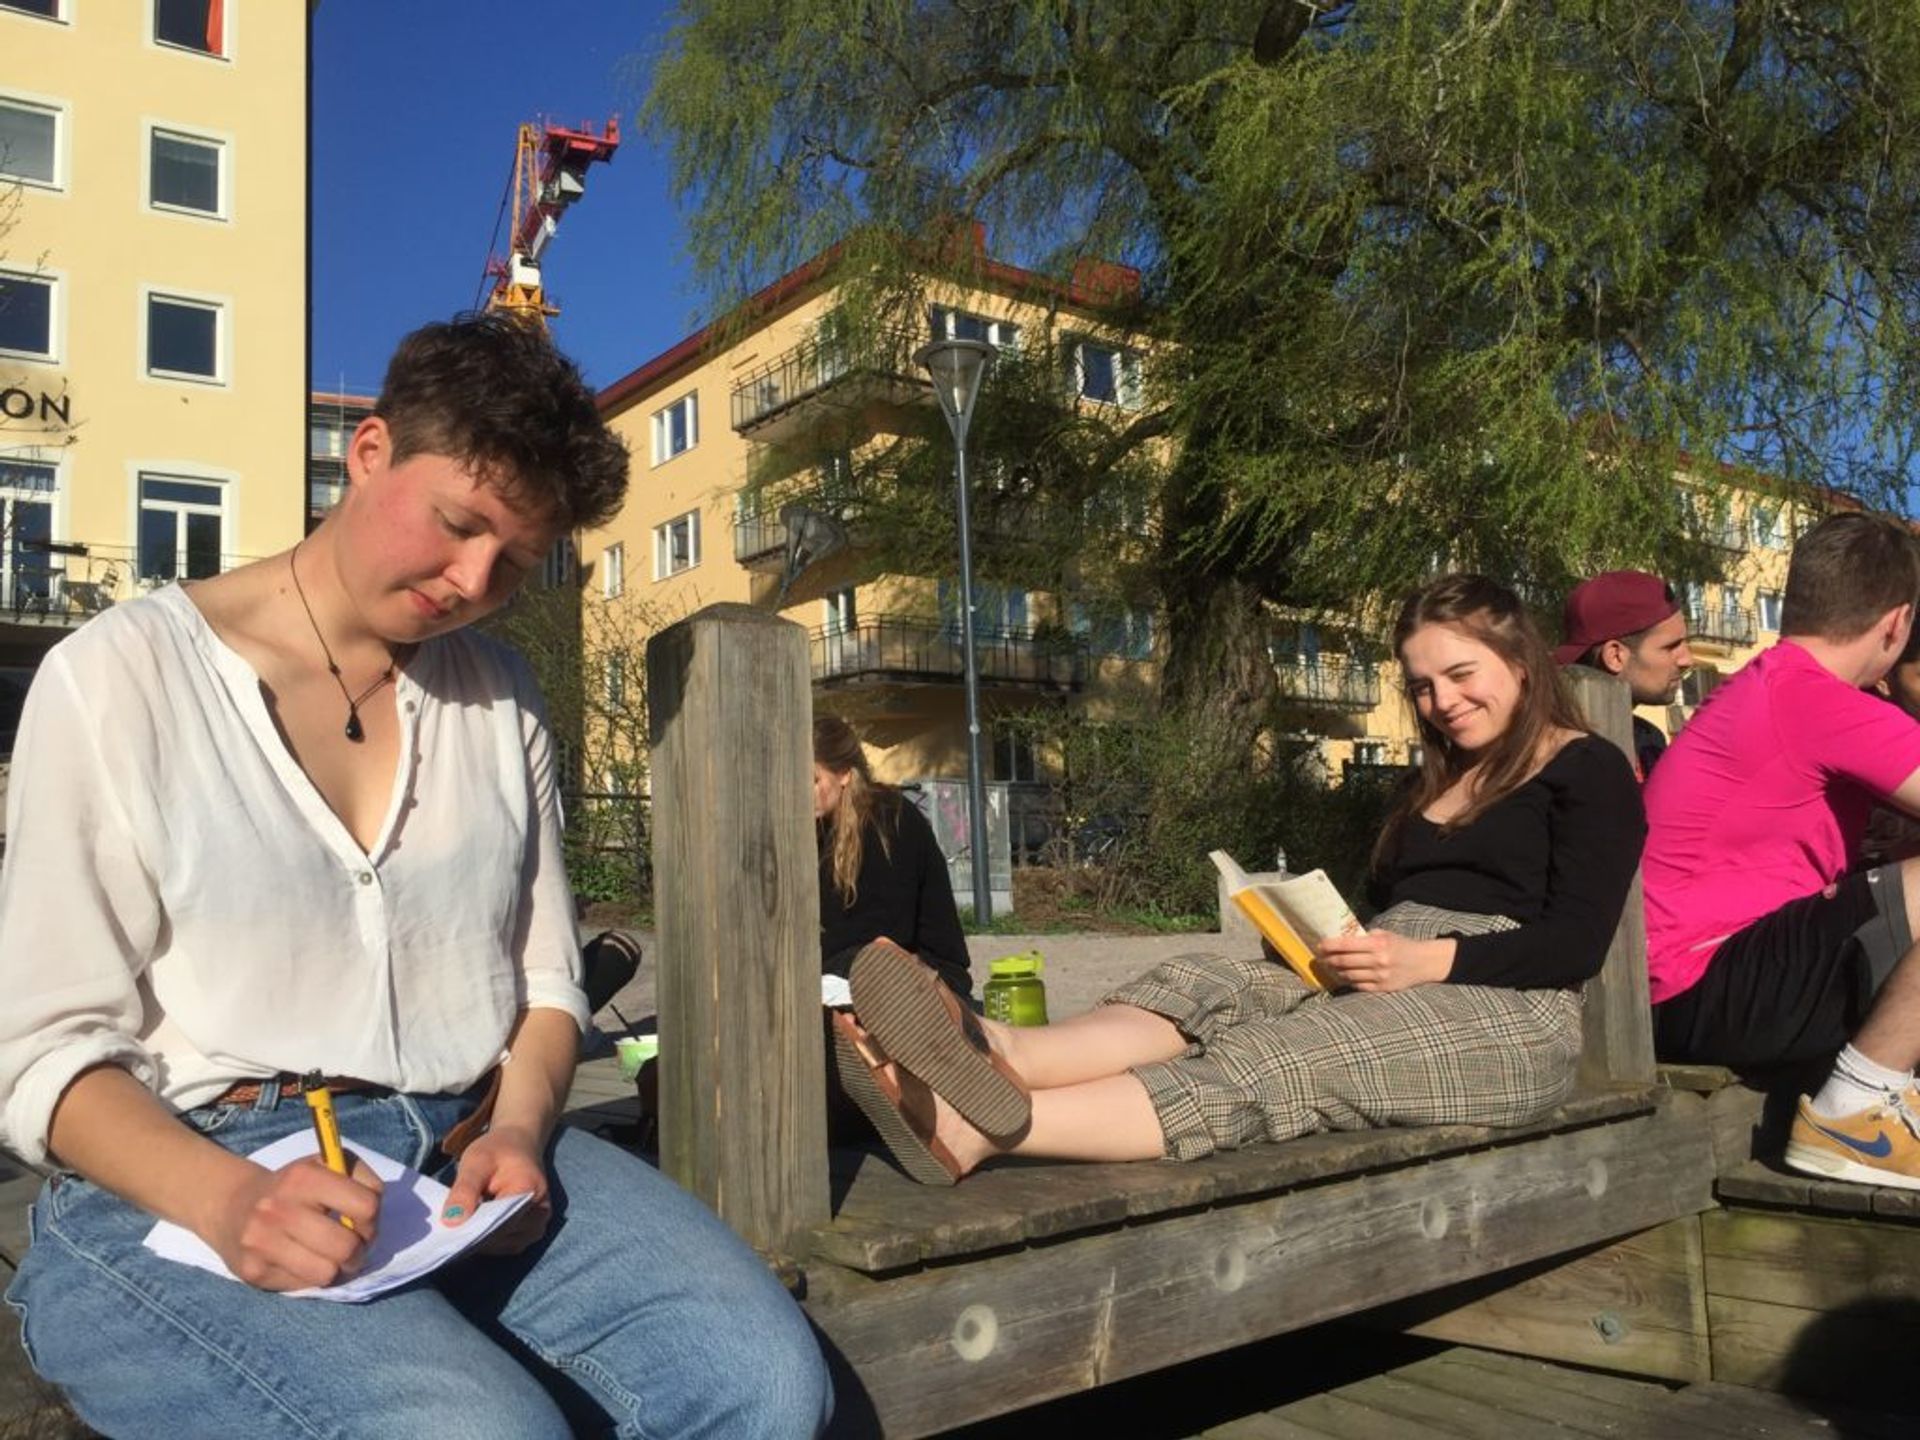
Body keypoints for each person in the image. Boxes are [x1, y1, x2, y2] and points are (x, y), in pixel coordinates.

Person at [0, 314, 832, 1438]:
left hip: (459, 1155)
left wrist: (520, 1131)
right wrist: (232, 1201)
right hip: (180, 1180)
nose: (473, 580)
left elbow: (547, 987)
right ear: (369, 450)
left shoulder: (501, 697)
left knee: (762, 1381)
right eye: (458, 524)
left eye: (517, 561)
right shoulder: (120, 678)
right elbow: (41, 1053)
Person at [829, 574, 1645, 1183]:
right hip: (1392, 972)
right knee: (1205, 978)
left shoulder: (1585, 770)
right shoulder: (1430, 783)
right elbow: (1398, 905)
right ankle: (1000, 1048)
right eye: (1424, 686)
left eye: (1461, 674)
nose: (1441, 701)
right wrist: (1326, 941)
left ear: (1521, 660)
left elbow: (1574, 945)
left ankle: (989, 1129)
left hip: (1510, 1012)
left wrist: (1431, 961)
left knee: (1290, 1052)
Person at [1643, 511, 1920, 1191]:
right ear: (1896, 623)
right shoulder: (1819, 701)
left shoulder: (1772, 685)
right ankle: (1856, 1111)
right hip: (1703, 987)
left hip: (1681, 987)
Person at [815, 713, 972, 1000]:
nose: (802, 793)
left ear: (844, 774)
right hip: (852, 973)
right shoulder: (814, 828)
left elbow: (883, 935)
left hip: (927, 976)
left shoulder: (888, 821)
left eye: (813, 780)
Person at [1555, 570, 1694, 778]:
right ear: (1615, 656)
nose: (1687, 660)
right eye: (1671, 646)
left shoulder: (1650, 740)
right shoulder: (1556, 749)